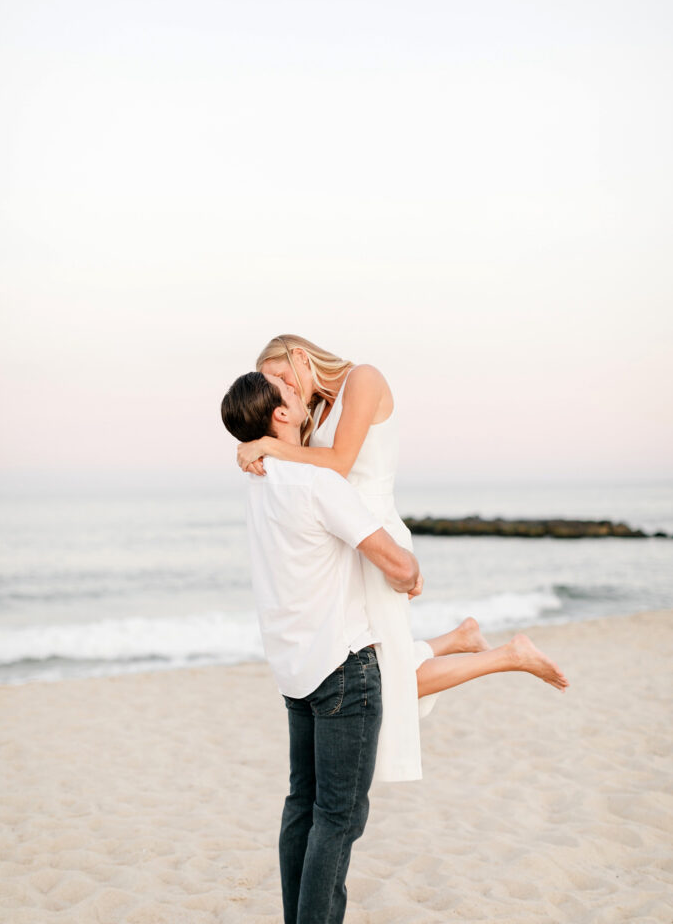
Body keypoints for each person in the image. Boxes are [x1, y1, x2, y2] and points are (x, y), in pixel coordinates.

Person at [236, 334, 569, 782]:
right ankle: (460, 637)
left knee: (384, 680)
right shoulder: (319, 411)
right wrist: (259, 446)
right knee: (374, 662)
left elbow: (338, 463)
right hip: (345, 539)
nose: (281, 390)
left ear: (300, 356)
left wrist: (270, 446)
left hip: (376, 537)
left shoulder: (364, 379)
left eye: (278, 376)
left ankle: (510, 655)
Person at [221, 369, 423, 924]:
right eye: (287, 390)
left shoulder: (259, 483)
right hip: (341, 669)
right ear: (280, 416)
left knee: (302, 807)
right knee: (338, 818)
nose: (297, 390)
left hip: (294, 673)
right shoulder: (317, 484)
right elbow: (396, 563)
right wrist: (410, 573)